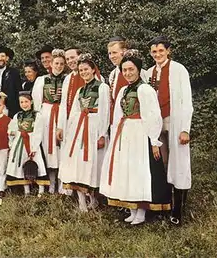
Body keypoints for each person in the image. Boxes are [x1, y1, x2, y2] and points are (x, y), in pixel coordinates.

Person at [100, 50, 171, 225]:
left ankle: (141, 211)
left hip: (140, 133)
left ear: (138, 70)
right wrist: (116, 133)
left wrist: (154, 140)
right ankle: (132, 209)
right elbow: (117, 115)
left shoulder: (145, 89)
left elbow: (153, 116)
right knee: (126, 171)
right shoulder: (124, 90)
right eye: (125, 70)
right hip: (125, 133)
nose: (128, 73)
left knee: (139, 172)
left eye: (131, 69)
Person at [146, 35, 193, 226]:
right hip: (157, 121)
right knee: (161, 162)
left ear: (168, 50)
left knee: (178, 162)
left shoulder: (179, 69)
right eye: (154, 51)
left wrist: (185, 129)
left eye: (161, 50)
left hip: (174, 119)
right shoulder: (148, 73)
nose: (157, 54)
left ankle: (178, 208)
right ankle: (163, 204)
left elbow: (186, 100)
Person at [59, 53, 110, 212]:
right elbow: (74, 111)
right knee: (78, 163)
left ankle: (94, 200)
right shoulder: (80, 90)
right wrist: (70, 131)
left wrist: (102, 134)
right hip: (79, 129)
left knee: (92, 164)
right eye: (81, 70)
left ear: (93, 69)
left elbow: (105, 112)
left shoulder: (102, 87)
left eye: (86, 69)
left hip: (94, 127)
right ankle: (82, 203)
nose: (83, 73)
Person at [32, 49, 67, 194]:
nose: (58, 66)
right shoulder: (42, 80)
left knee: (61, 148)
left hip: (62, 114)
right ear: (51, 64)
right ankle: (51, 183)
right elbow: (36, 102)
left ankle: (61, 183)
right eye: (56, 63)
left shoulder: (67, 79)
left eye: (61, 64)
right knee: (48, 148)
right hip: (46, 115)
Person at [6, 91, 49, 196]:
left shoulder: (37, 115)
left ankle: (41, 190)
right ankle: (27, 190)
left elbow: (39, 132)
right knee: (21, 165)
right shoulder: (18, 115)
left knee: (38, 164)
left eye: (26, 101)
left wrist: (33, 148)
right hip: (19, 142)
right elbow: (11, 129)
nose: (24, 104)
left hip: (32, 141)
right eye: (21, 102)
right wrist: (13, 135)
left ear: (31, 102)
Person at [107, 36, 148, 125]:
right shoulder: (113, 75)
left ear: (124, 51)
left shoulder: (141, 73)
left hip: (136, 122)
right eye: (110, 53)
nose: (111, 56)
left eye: (114, 52)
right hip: (117, 121)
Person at [56, 47, 83, 144]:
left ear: (80, 57)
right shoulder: (68, 78)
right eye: (67, 59)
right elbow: (63, 103)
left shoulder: (90, 75)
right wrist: (60, 126)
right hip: (68, 122)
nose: (70, 61)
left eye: (72, 57)